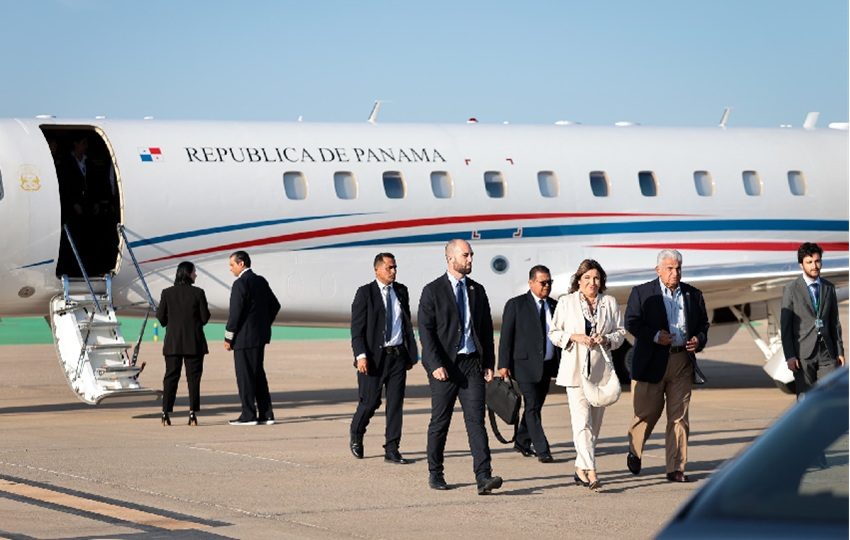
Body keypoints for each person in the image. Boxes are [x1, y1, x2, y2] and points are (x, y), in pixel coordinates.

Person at [418, 239, 503, 495]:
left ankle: (483, 476)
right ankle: (436, 472)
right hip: (445, 367)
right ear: (451, 258)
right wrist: (434, 364)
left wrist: (489, 363)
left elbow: (486, 330)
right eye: (466, 255)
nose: (470, 260)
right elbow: (426, 332)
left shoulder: (477, 290)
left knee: (476, 421)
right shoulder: (432, 291)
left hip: (472, 365)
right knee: (440, 421)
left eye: (471, 255)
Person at [624, 249, 709, 483]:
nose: (675, 272)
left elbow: (703, 324)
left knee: (679, 418)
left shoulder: (693, 294)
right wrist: (653, 335)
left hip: (681, 361)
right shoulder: (642, 293)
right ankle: (635, 449)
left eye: (678, 268)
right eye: (670, 268)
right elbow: (631, 322)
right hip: (651, 362)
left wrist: (698, 340)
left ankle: (676, 467)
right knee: (646, 413)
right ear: (658, 270)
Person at [548, 259, 625, 489]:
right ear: (578, 281)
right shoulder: (566, 302)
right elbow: (554, 333)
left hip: (600, 371)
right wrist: (574, 337)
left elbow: (620, 333)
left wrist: (607, 339)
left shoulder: (609, 302)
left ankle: (580, 467)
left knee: (594, 426)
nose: (592, 283)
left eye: (596, 278)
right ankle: (591, 471)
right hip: (575, 370)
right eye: (587, 278)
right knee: (581, 422)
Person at [349, 253, 419, 464]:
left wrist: (412, 352)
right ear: (377, 269)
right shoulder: (365, 293)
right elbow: (357, 330)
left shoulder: (401, 291)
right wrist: (360, 356)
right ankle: (357, 432)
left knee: (395, 404)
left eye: (395, 267)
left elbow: (405, 324)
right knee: (370, 402)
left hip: (397, 356)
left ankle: (392, 449)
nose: (393, 271)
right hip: (372, 358)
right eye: (389, 268)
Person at [497, 265, 561, 463]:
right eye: (543, 282)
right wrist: (503, 365)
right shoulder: (516, 305)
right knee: (532, 405)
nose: (547, 286)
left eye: (549, 282)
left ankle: (522, 441)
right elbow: (506, 337)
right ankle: (542, 449)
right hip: (523, 366)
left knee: (535, 406)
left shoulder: (554, 305)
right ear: (531, 282)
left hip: (547, 365)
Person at [224, 250, 281, 426]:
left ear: (242, 264)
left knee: (245, 376)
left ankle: (248, 414)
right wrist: (263, 324)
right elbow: (275, 305)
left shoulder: (240, 284)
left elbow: (235, 314)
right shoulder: (260, 281)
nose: (231, 269)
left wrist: (228, 337)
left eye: (232, 265)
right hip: (259, 337)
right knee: (258, 375)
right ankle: (266, 414)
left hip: (243, 338)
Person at [781, 242, 845, 396]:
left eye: (817, 261)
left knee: (829, 395)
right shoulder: (791, 289)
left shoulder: (828, 287)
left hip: (827, 352)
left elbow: (834, 322)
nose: (814, 266)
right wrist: (790, 355)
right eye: (809, 262)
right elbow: (786, 327)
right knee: (805, 397)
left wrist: (840, 351)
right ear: (801, 265)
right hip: (803, 353)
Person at [156, 261, 211, 426]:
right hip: (194, 343)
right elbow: (205, 318)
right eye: (194, 272)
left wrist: (171, 322)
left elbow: (161, 317)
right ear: (188, 273)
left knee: (171, 377)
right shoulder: (198, 293)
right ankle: (192, 412)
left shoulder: (167, 293)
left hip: (173, 343)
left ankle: (165, 412)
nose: (196, 274)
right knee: (193, 379)